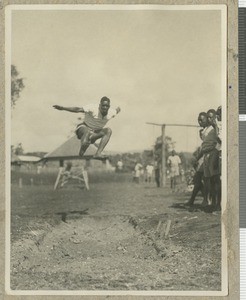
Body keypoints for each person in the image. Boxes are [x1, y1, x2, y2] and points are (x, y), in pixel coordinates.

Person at [53, 97, 121, 158]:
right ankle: (83, 147)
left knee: (108, 130)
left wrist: (119, 108)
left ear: (109, 106)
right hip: (83, 128)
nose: (105, 108)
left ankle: (98, 153)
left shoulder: (112, 112)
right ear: (100, 105)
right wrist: (63, 108)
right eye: (103, 105)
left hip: (94, 133)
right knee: (87, 132)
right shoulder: (92, 107)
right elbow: (78, 109)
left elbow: (117, 110)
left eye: (107, 106)